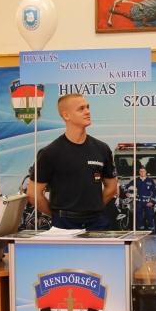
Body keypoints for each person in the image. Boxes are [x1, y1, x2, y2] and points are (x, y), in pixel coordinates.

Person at [28, 94, 117, 231]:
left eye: (87, 107)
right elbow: (33, 194)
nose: (87, 112)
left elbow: (111, 187)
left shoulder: (102, 149)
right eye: (81, 109)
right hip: (64, 225)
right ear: (66, 116)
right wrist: (57, 215)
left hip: (97, 223)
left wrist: (93, 207)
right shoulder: (49, 153)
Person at [125, 164, 156, 231]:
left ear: (146, 172)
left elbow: (155, 192)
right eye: (141, 171)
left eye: (144, 171)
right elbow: (126, 186)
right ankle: (141, 231)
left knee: (149, 217)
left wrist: (153, 202)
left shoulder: (150, 181)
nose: (142, 173)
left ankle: (151, 232)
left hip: (147, 202)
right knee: (139, 218)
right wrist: (126, 193)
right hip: (138, 202)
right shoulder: (136, 180)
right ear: (139, 172)